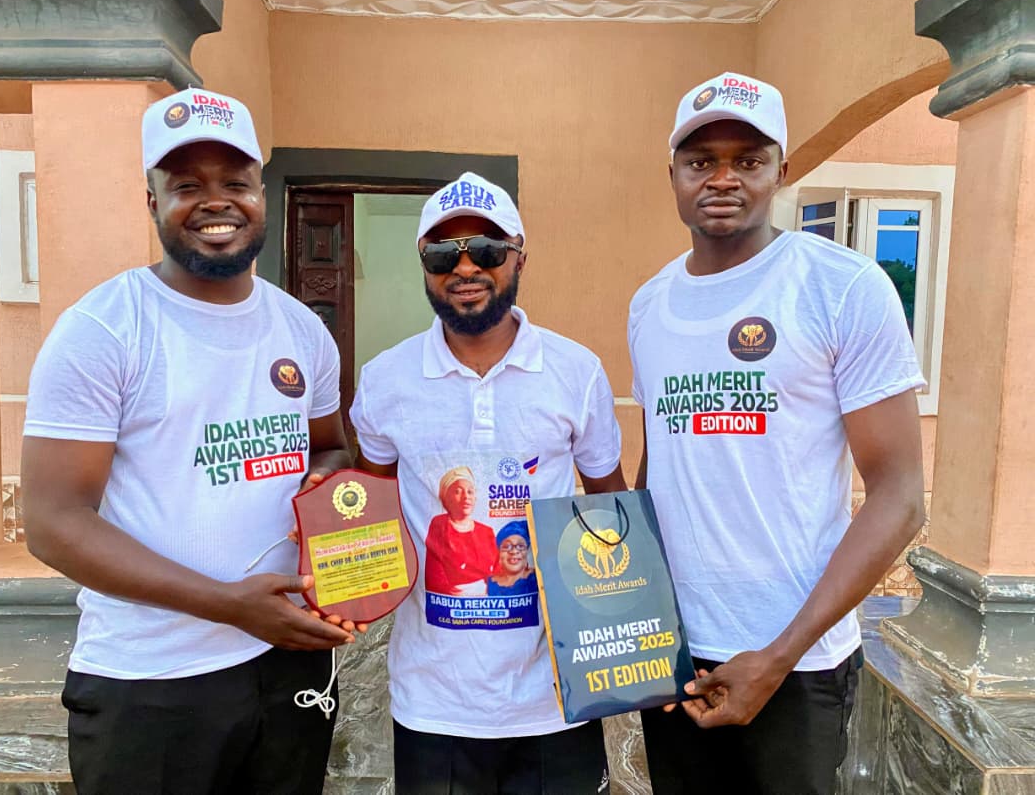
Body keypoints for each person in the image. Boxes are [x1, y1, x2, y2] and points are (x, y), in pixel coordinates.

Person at [21, 87, 358, 795]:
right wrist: (229, 604)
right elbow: (53, 523)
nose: (216, 203)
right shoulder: (104, 329)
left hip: (288, 662)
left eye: (235, 182)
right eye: (186, 186)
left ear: (259, 195)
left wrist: (326, 486)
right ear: (153, 202)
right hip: (151, 682)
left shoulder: (303, 329)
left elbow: (329, 447)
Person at [628, 72, 926, 794]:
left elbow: (899, 496)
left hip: (798, 661)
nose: (723, 178)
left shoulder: (843, 287)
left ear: (782, 171)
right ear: (673, 175)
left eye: (749, 160)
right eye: (701, 161)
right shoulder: (649, 304)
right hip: (678, 654)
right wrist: (638, 624)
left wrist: (780, 655)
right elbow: (657, 467)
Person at [350, 172, 626, 794]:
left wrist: (625, 647)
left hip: (556, 695)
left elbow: (609, 508)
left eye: (488, 249)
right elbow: (369, 510)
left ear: (520, 257)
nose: (466, 267)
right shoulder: (386, 379)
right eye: (443, 254)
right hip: (434, 701)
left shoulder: (575, 371)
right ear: (424, 264)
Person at [425, 466, 498, 596]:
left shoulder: (486, 531)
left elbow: (499, 571)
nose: (466, 497)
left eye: (470, 492)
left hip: (487, 599)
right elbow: (434, 576)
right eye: (458, 492)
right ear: (446, 497)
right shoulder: (439, 525)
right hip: (451, 599)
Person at [487, 521, 537, 596]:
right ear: (499, 553)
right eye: (507, 546)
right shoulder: (490, 583)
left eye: (520, 546)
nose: (514, 551)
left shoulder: (537, 578)